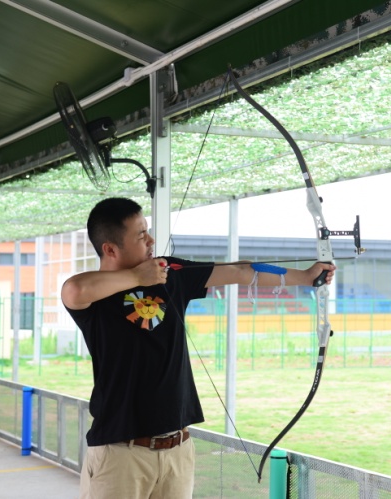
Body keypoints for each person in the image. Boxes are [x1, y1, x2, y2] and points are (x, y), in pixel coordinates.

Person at [61, 197, 335, 499]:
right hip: (121, 453)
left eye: (147, 231)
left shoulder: (168, 273)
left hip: (177, 449)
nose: (151, 240)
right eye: (140, 235)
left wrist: (307, 277)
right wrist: (137, 278)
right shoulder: (95, 298)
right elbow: (74, 290)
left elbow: (240, 271)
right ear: (110, 249)